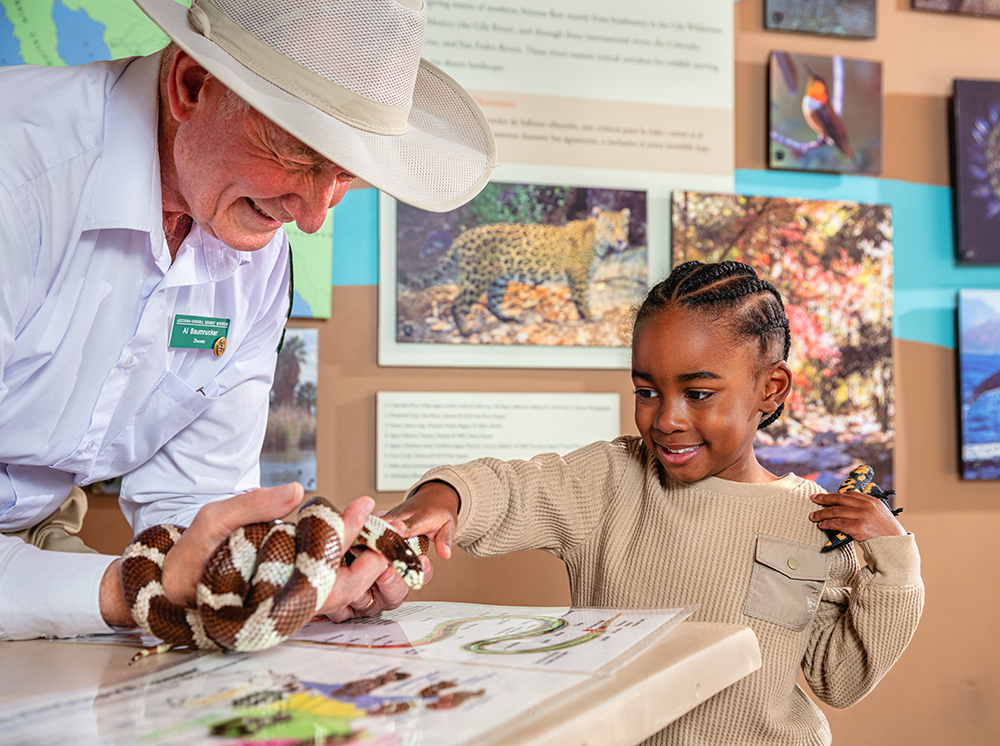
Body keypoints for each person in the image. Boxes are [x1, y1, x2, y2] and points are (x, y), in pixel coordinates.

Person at [0, 0, 496, 640]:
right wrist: (133, 590)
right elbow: (149, 580)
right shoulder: (18, 176)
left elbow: (196, 511)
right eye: (298, 155)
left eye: (342, 175)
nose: (314, 215)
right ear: (191, 84)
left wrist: (295, 585)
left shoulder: (256, 261)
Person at [387, 260, 924, 746]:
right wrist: (445, 498)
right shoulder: (611, 480)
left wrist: (895, 562)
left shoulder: (813, 523)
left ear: (771, 388)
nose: (665, 419)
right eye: (647, 391)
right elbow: (514, 487)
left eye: (698, 393)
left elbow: (842, 680)